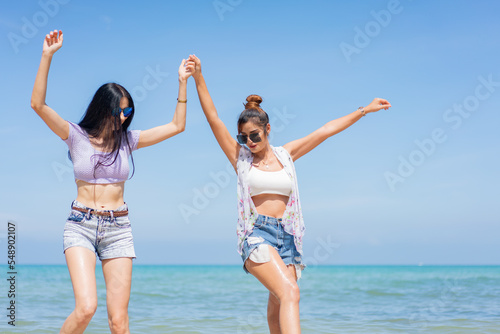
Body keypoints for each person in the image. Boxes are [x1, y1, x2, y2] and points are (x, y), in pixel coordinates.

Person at [189, 54, 391, 333]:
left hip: (288, 238)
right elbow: (213, 118)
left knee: (277, 309)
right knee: (291, 294)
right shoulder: (241, 158)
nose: (249, 142)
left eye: (254, 135)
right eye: (243, 137)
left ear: (267, 129)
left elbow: (324, 131)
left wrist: (364, 110)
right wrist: (199, 77)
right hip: (257, 235)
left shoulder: (286, 155)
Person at [30, 30, 194, 334]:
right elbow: (38, 105)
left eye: (128, 111)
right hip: (80, 224)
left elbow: (177, 125)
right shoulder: (75, 136)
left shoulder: (128, 141)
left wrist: (183, 82)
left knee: (119, 321)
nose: (123, 116)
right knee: (86, 308)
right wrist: (47, 56)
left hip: (118, 229)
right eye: (118, 110)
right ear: (102, 108)